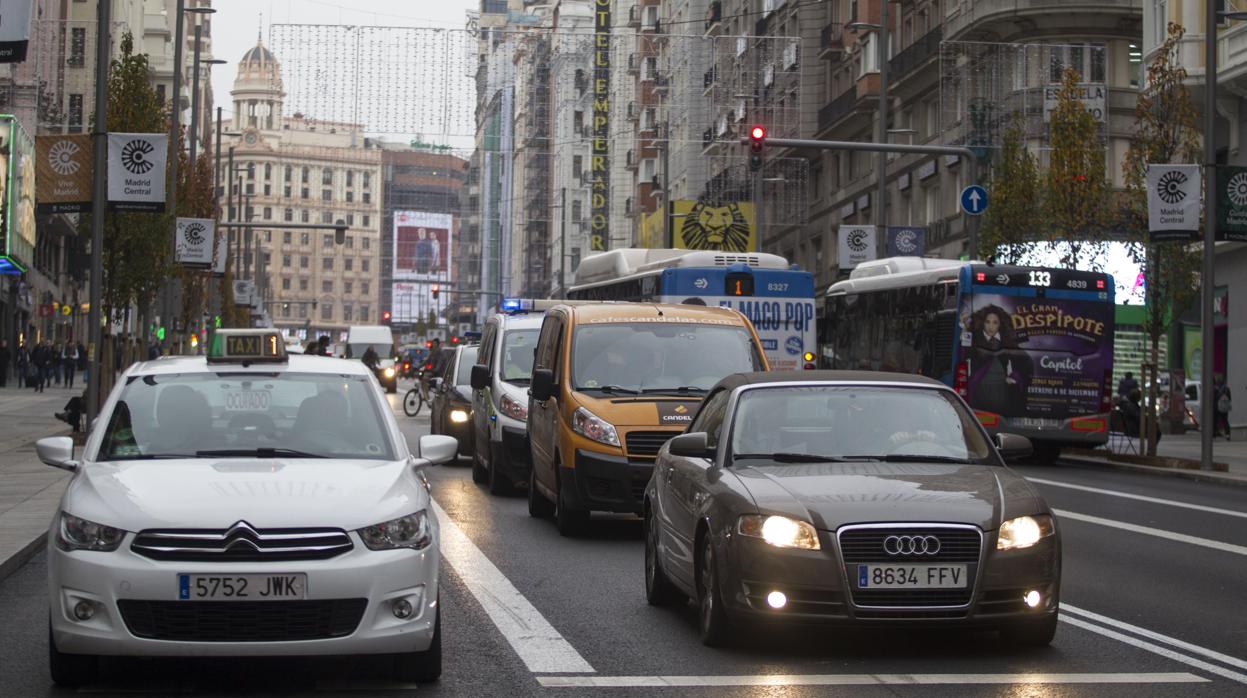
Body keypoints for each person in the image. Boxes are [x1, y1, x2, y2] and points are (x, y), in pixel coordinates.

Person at [1214, 374, 1232, 440]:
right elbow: (1229, 398)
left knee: (1215, 420)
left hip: (1217, 407)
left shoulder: (1215, 388)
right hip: (1225, 407)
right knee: (1225, 421)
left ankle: (1214, 433)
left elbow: (1214, 398)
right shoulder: (1226, 388)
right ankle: (1228, 434)